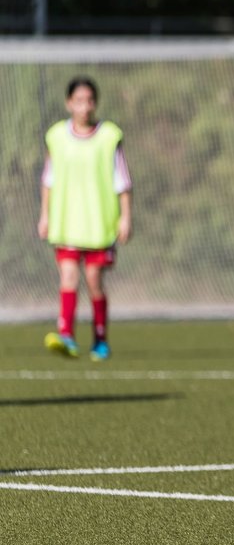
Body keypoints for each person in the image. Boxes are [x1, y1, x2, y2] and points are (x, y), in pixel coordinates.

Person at [37, 76, 133, 361]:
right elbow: (48, 179)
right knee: (68, 276)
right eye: (78, 100)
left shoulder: (108, 136)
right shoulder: (56, 136)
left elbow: (122, 181)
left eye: (89, 100)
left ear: (95, 103)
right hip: (67, 221)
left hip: (98, 224)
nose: (84, 106)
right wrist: (45, 215)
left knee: (93, 280)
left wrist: (125, 217)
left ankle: (100, 339)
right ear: (69, 103)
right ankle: (66, 335)